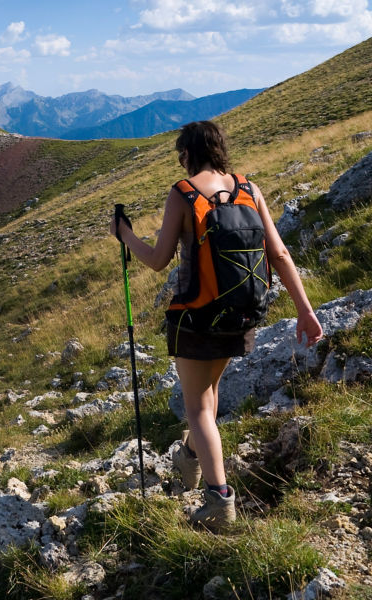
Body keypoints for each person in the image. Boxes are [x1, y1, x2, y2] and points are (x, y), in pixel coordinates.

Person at [110, 120, 323, 530]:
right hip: (241, 316)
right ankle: (190, 459)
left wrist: (124, 234)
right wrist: (305, 309)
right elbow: (278, 253)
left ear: (187, 153)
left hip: (195, 317)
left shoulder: (184, 193)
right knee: (207, 398)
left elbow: (157, 260)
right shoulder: (249, 189)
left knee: (198, 407)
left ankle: (219, 502)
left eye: (180, 154)